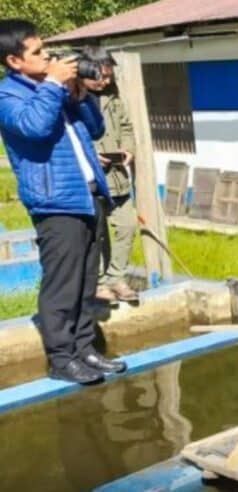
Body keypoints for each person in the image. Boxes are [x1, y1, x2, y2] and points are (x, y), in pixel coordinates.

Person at [0, 19, 126, 383]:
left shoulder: (51, 89)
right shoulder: (9, 96)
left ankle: (84, 348)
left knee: (86, 281)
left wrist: (79, 94)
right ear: (14, 61)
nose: (48, 57)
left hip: (87, 195)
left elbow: (96, 129)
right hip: (55, 202)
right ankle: (61, 358)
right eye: (37, 52)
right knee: (62, 284)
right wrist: (54, 84)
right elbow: (34, 128)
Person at [81, 46, 139, 303]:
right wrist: (92, 155)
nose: (105, 81)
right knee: (97, 233)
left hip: (117, 176)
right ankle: (100, 282)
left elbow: (126, 126)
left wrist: (128, 149)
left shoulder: (112, 97)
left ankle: (117, 276)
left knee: (127, 224)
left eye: (109, 76)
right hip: (91, 180)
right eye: (101, 76)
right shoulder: (74, 101)